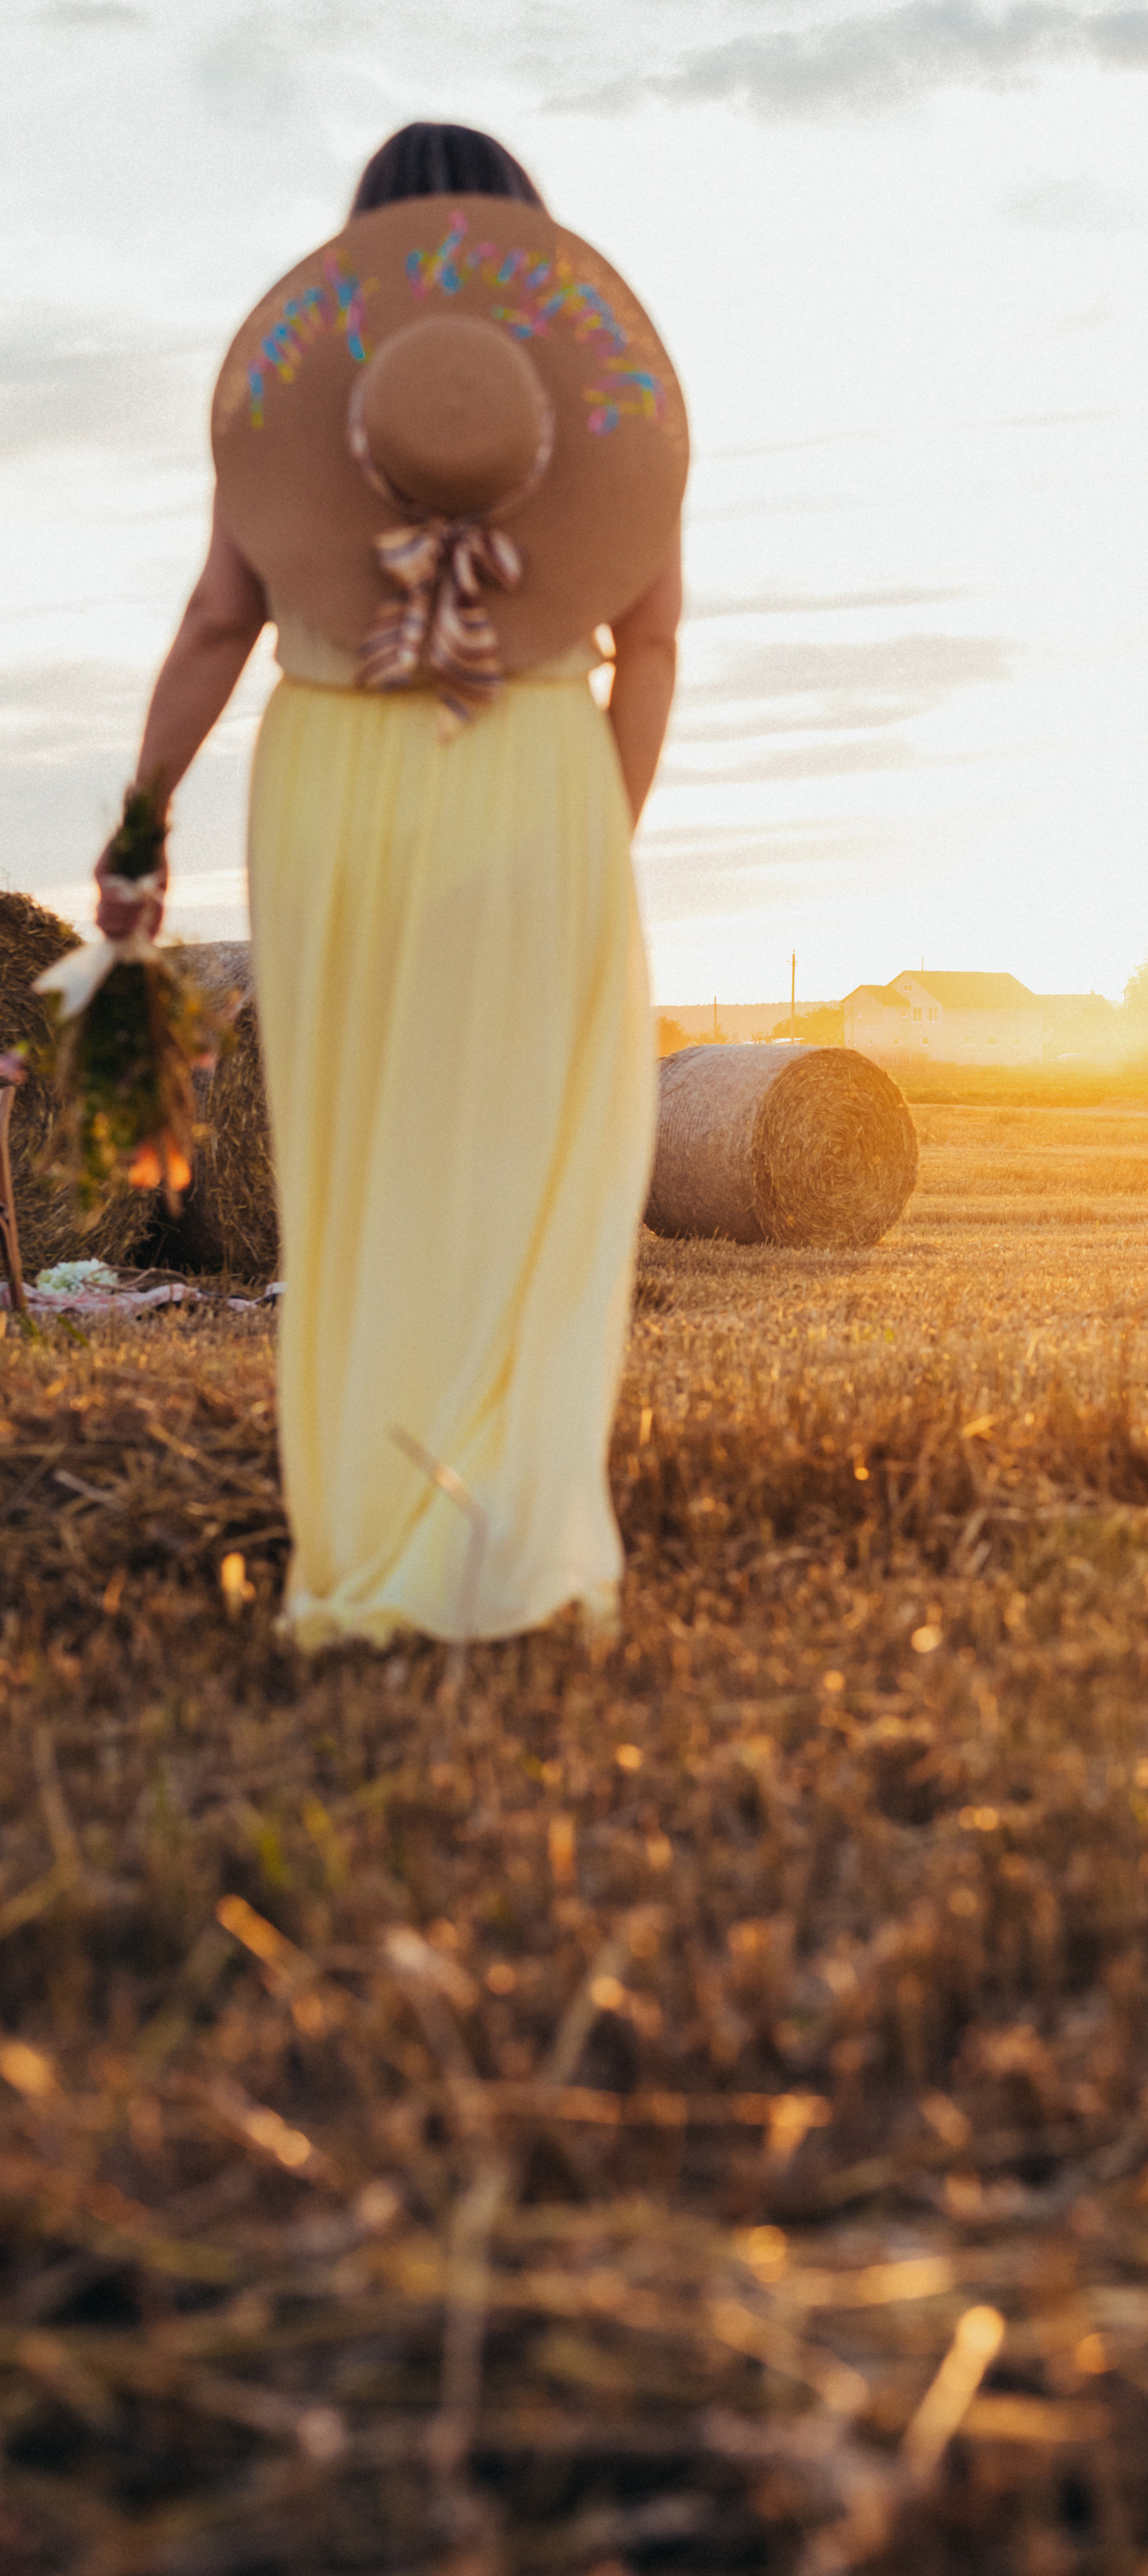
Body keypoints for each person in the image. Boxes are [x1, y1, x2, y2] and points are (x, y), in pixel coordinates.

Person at [96, 121, 688, 1645]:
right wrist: (590, 837)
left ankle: (374, 1537)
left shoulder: (302, 417)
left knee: (365, 1160)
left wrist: (143, 825)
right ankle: (504, 1535)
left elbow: (217, 625)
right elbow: (656, 644)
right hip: (538, 769)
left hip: (336, 791)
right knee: (535, 1155)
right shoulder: (608, 422)